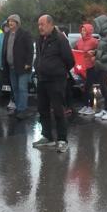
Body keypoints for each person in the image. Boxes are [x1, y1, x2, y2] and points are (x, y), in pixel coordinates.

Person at [32, 15, 74, 153]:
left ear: (50, 24)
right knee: (42, 109)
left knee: (58, 110)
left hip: (56, 80)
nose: (40, 27)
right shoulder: (40, 40)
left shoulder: (60, 39)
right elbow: (39, 57)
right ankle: (47, 137)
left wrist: (59, 71)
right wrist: (37, 67)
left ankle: (62, 140)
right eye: (39, 25)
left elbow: (70, 60)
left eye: (42, 24)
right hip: (42, 79)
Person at [2, 14, 33, 120]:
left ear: (17, 23)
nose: (10, 23)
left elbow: (30, 50)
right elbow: (4, 50)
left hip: (22, 67)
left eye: (12, 21)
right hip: (11, 67)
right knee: (15, 89)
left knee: (22, 88)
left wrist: (28, 63)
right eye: (9, 21)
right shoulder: (7, 34)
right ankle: (19, 108)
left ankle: (22, 110)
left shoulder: (24, 34)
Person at [75, 23, 99, 115]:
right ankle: (85, 105)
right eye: (82, 30)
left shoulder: (94, 41)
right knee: (84, 87)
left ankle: (91, 107)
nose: (82, 32)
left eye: (84, 30)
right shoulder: (79, 41)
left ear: (89, 31)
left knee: (89, 87)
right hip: (81, 68)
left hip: (91, 67)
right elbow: (76, 51)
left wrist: (94, 56)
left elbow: (100, 52)